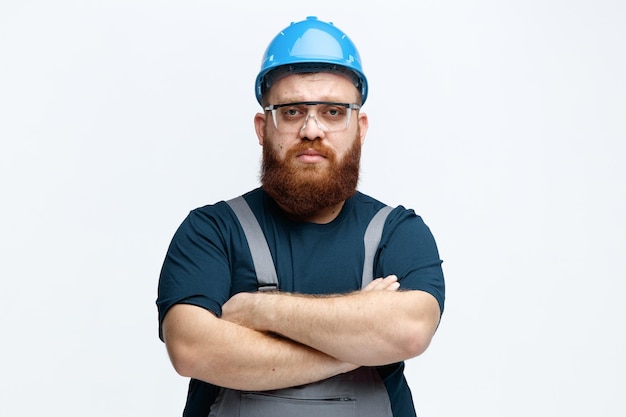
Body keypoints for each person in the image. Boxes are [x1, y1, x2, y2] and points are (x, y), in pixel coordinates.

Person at [156, 16, 445, 417]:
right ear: (263, 127)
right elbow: (191, 349)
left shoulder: (397, 232)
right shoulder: (211, 231)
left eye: (332, 111)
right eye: (291, 112)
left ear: (359, 127)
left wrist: (259, 311)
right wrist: (360, 343)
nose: (312, 129)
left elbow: (410, 331)